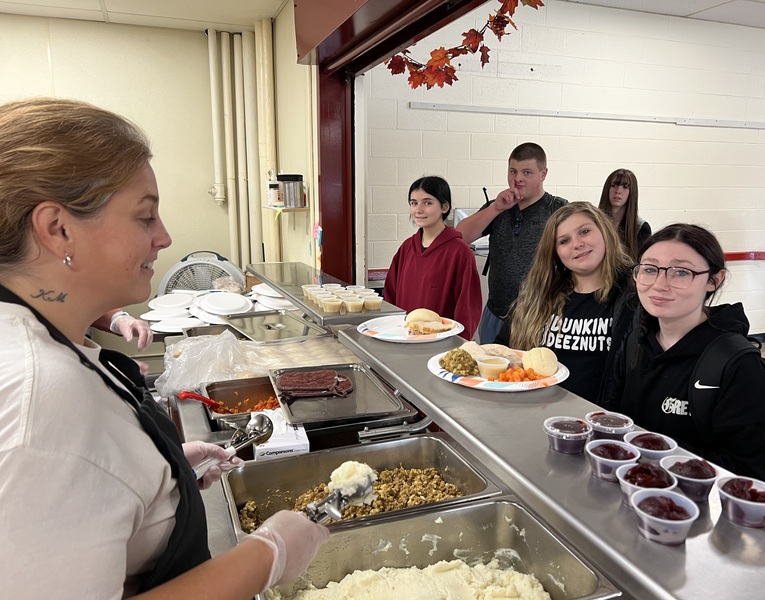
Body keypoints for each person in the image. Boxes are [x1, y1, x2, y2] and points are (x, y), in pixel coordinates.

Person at [0, 98, 328, 598]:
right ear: (57, 228)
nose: (164, 237)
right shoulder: (41, 400)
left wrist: (159, 474)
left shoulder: (44, 339)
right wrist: (268, 555)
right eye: (144, 217)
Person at [603, 224, 765, 487]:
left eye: (681, 272)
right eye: (650, 269)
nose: (659, 284)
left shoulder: (735, 365)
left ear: (715, 280)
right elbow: (615, 418)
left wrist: (656, 461)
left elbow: (756, 473)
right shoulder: (636, 341)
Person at [496, 202, 635, 404]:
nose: (576, 244)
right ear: (555, 253)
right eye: (564, 241)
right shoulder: (538, 295)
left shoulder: (636, 294)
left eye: (584, 232)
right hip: (536, 413)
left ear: (605, 232)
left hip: (601, 423)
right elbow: (502, 350)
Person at [456, 142, 567, 344]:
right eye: (513, 171)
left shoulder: (557, 210)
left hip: (538, 318)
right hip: (496, 313)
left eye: (527, 172)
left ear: (543, 174)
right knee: (489, 372)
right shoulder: (497, 207)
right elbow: (458, 237)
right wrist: (496, 209)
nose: (518, 179)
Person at [384, 176, 482, 339]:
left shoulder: (459, 252)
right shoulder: (407, 248)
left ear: (444, 207)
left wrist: (458, 345)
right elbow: (390, 295)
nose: (418, 209)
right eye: (414, 203)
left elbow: (468, 308)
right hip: (405, 339)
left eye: (427, 203)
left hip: (440, 344)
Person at [598, 168, 651, 259]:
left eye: (625, 187)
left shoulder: (641, 228)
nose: (618, 191)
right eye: (614, 185)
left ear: (632, 192)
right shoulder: (594, 222)